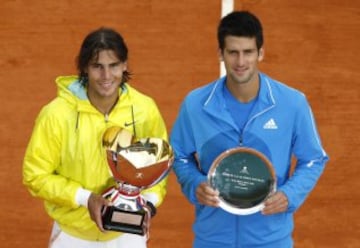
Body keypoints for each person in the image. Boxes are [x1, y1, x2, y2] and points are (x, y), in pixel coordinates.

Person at [170, 11, 329, 248]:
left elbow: (314, 159)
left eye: (248, 52)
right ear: (220, 54)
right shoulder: (195, 104)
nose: (241, 62)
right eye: (233, 52)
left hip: (271, 240)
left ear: (261, 53)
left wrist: (290, 195)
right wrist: (195, 184)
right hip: (212, 240)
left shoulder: (292, 103)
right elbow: (178, 155)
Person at [23, 27, 169, 248]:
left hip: (127, 234)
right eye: (97, 67)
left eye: (114, 66)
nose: (106, 76)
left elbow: (158, 166)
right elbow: (35, 175)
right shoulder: (56, 114)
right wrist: (85, 198)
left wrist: (147, 204)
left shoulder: (144, 110)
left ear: (125, 65)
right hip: (73, 236)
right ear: (84, 68)